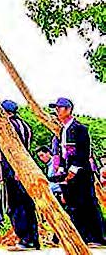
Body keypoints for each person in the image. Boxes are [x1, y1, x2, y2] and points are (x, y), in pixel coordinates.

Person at [48, 97, 105, 245]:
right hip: (68, 173)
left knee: (88, 204)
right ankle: (82, 236)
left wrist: (73, 169)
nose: (57, 111)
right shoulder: (62, 130)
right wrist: (61, 169)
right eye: (56, 108)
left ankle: (97, 237)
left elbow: (83, 152)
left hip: (82, 172)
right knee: (74, 205)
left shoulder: (80, 129)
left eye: (59, 108)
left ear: (68, 109)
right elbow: (62, 153)